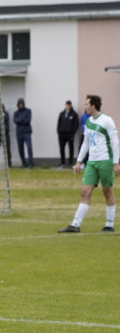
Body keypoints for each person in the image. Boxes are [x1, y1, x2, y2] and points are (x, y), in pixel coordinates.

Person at [58, 95, 120, 233]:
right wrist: (79, 161)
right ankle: (75, 225)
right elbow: (86, 142)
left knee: (107, 191)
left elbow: (115, 142)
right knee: (84, 192)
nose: (84, 106)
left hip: (105, 160)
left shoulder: (107, 120)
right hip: (91, 162)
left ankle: (109, 224)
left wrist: (116, 163)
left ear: (93, 105)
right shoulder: (88, 122)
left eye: (86, 104)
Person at [56, 100, 80, 167]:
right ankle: (62, 162)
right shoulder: (62, 114)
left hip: (70, 135)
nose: (67, 106)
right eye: (66, 105)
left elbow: (76, 124)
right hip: (62, 135)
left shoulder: (74, 114)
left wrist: (72, 133)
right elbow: (59, 123)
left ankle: (70, 162)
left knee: (71, 148)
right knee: (62, 148)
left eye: (69, 105)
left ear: (71, 106)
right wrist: (59, 132)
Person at [14, 98, 33, 167]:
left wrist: (20, 119)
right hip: (19, 133)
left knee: (29, 147)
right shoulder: (16, 113)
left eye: (22, 104)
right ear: (18, 105)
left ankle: (31, 163)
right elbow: (15, 121)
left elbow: (28, 120)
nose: (21, 105)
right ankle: (23, 163)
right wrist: (23, 119)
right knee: (20, 149)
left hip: (27, 132)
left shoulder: (28, 111)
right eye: (19, 104)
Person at [0, 103, 12, 168]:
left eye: (1, 108)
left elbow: (5, 119)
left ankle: (9, 164)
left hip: (4, 135)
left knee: (7, 150)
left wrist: (0, 117)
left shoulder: (6, 114)